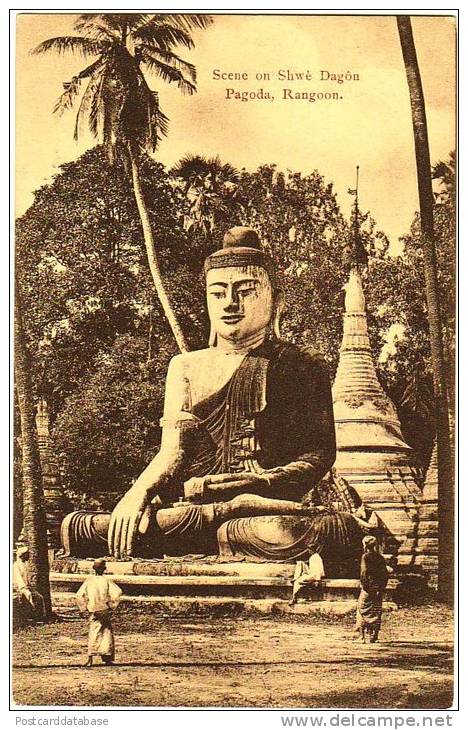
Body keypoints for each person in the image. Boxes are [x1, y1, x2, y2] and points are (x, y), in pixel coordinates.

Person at [61, 226, 370, 568]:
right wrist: (138, 493)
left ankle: (219, 530)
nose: (230, 304)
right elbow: (172, 452)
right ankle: (217, 531)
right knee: (80, 528)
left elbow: (318, 455)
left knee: (314, 530)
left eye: (245, 291)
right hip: (195, 510)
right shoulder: (185, 366)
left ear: (275, 299)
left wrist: (259, 481)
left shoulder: (301, 366)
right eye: (218, 293)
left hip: (264, 508)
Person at [76, 558, 122, 667]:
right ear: (104, 569)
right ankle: (107, 657)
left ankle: (90, 657)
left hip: (93, 609)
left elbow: (79, 595)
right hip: (104, 609)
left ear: (93, 569)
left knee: (93, 632)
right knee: (107, 633)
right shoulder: (106, 581)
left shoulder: (89, 581)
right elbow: (117, 593)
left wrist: (83, 608)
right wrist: (112, 606)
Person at [355, 535, 389, 643]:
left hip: (368, 588)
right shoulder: (380, 557)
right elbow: (385, 574)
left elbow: (364, 573)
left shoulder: (365, 557)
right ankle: (374, 636)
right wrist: (381, 587)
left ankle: (362, 637)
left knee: (362, 610)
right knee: (376, 610)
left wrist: (365, 586)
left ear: (365, 545)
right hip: (378, 588)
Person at [13, 546, 46, 622]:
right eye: (27, 554)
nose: (28, 556)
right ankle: (33, 615)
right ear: (23, 555)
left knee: (40, 597)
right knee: (29, 595)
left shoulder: (25, 564)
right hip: (19, 587)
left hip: (26, 586)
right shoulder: (16, 565)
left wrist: (29, 586)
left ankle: (41, 615)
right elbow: (19, 579)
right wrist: (24, 588)